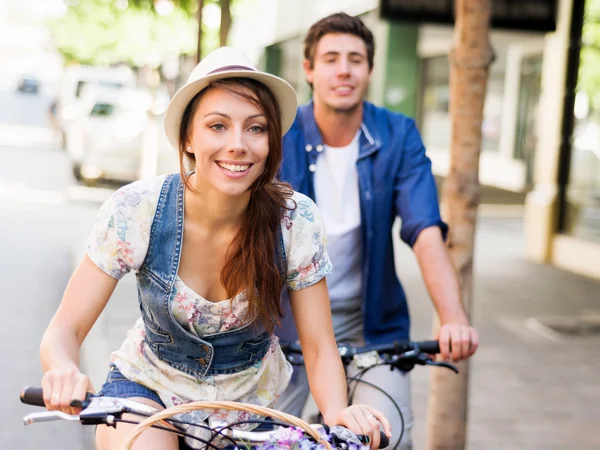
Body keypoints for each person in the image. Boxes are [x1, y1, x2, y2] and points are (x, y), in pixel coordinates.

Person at [38, 47, 391, 450]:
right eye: (217, 126)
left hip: (249, 410)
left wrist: (337, 412)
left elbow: (318, 344)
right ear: (188, 137)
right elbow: (64, 329)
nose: (238, 144)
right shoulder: (138, 210)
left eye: (256, 128)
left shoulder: (295, 220)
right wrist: (63, 369)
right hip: (147, 392)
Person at [274, 13, 479, 449]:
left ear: (370, 69)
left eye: (356, 59)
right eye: (330, 59)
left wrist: (453, 316)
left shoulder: (398, 134)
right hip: (284, 323)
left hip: (371, 325)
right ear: (309, 70)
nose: (344, 69)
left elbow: (425, 230)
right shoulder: (279, 134)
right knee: (262, 439)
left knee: (385, 437)